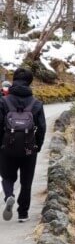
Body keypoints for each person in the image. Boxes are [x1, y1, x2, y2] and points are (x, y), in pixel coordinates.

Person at [0, 68, 46, 222]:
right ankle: (23, 213)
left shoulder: (3, 101)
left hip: (7, 147)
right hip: (29, 147)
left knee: (7, 177)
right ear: (30, 82)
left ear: (14, 81)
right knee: (26, 181)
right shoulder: (36, 103)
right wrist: (37, 146)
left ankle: (9, 195)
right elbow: (42, 128)